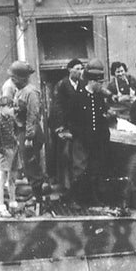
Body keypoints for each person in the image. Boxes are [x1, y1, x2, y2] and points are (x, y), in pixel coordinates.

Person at [65, 60, 115, 205]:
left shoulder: (99, 97)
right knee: (79, 170)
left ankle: (93, 198)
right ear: (92, 82)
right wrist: (78, 134)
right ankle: (74, 200)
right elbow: (71, 119)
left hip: (96, 140)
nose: (101, 86)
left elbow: (101, 116)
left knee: (95, 170)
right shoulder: (78, 96)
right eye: (100, 83)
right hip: (81, 140)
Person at [8, 61, 45, 197]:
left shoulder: (31, 92)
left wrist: (29, 137)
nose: (12, 81)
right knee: (28, 165)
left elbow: (32, 116)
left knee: (32, 165)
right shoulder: (20, 91)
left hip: (31, 133)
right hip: (22, 132)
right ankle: (36, 193)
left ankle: (38, 199)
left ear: (22, 78)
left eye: (14, 78)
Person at [50, 59, 86, 192]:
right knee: (65, 155)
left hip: (78, 126)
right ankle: (65, 186)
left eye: (81, 69)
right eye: (77, 68)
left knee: (79, 157)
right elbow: (57, 106)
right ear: (70, 70)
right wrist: (59, 126)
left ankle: (78, 188)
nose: (80, 71)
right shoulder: (62, 85)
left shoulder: (83, 84)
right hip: (64, 126)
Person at [0, 95, 18, 216]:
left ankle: (12, 204)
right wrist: (3, 151)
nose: (11, 109)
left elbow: (13, 132)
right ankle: (2, 207)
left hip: (13, 151)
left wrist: (15, 143)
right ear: (1, 108)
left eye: (11, 106)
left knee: (12, 179)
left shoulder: (11, 119)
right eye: (8, 107)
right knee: (2, 179)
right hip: (4, 153)